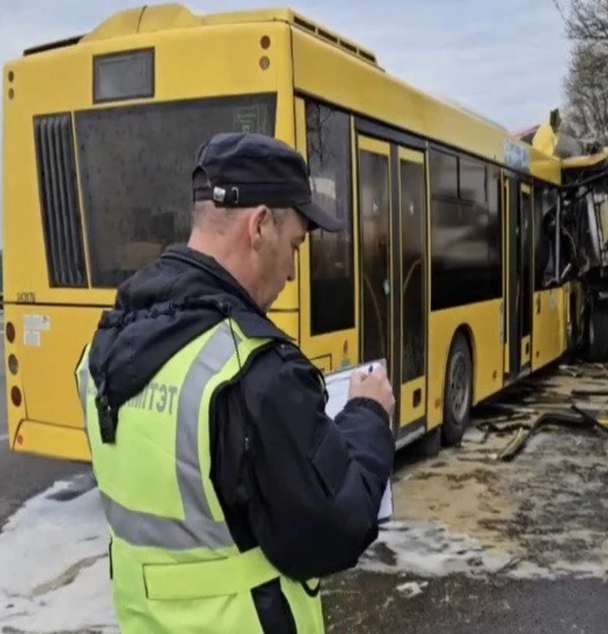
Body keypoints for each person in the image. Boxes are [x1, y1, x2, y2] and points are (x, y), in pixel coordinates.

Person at [74, 131, 396, 634]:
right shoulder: (255, 372)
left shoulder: (108, 345)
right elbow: (337, 528)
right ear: (260, 226)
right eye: (294, 245)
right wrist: (368, 415)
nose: (292, 271)